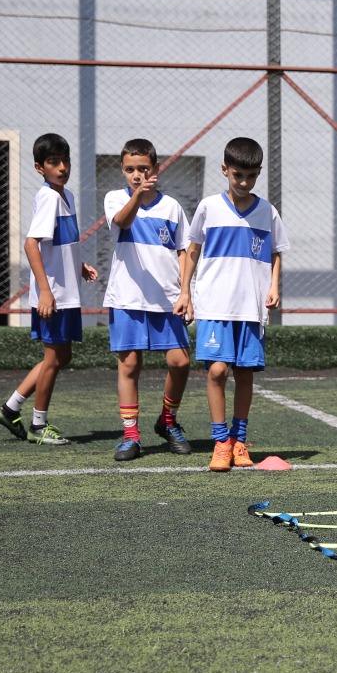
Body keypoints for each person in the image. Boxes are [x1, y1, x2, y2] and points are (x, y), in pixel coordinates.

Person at [176, 136, 291, 473]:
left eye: (251, 176)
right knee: (216, 370)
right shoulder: (209, 207)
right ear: (225, 169)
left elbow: (275, 252)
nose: (244, 182)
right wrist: (185, 291)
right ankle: (220, 442)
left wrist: (273, 285)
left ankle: (240, 442)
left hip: (251, 307)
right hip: (214, 304)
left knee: (243, 373)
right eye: (238, 175)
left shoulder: (267, 211)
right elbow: (193, 249)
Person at [0, 132, 99, 445]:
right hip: (54, 296)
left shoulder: (67, 196)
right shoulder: (50, 197)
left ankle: (10, 408)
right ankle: (38, 425)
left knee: (61, 356)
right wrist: (46, 291)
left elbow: (58, 244)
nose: (62, 167)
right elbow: (30, 244)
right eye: (54, 162)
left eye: (65, 161)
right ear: (40, 168)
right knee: (54, 359)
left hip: (65, 293)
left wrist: (78, 265)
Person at [103, 138, 195, 461]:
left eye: (144, 168)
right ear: (123, 170)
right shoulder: (115, 199)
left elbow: (184, 251)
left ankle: (167, 421)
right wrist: (138, 197)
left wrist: (186, 292)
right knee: (129, 364)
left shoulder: (172, 207)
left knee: (180, 361)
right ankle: (130, 436)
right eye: (130, 169)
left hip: (167, 301)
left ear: (156, 169)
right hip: (127, 299)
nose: (137, 175)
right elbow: (122, 222)